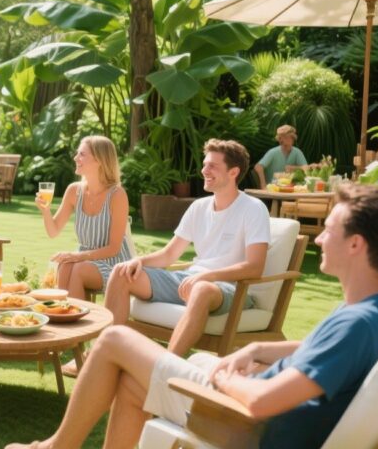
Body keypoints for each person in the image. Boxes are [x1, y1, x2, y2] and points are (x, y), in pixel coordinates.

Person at [3, 184, 378, 449]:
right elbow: (323, 349)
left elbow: (261, 403)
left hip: (248, 428)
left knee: (114, 339)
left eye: (330, 229)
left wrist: (223, 374)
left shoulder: (357, 324)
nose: (319, 238)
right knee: (132, 379)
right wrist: (258, 348)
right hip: (272, 427)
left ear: (356, 245)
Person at [103, 139, 270, 357]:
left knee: (200, 288)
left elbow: (254, 267)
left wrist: (206, 277)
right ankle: (106, 355)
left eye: (212, 166)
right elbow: (169, 254)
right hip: (188, 281)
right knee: (121, 272)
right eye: (204, 164)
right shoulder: (198, 207)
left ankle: (166, 368)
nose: (204, 170)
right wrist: (138, 261)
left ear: (233, 172)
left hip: (230, 289)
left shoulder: (253, 209)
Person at [35, 136, 131, 301]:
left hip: (114, 264)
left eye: (82, 154)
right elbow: (53, 231)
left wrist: (78, 256)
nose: (75, 158)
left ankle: (76, 319)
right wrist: (45, 211)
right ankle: (63, 317)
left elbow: (114, 248)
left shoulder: (117, 195)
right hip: (83, 261)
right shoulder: (74, 191)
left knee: (77, 268)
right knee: (64, 265)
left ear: (99, 160)